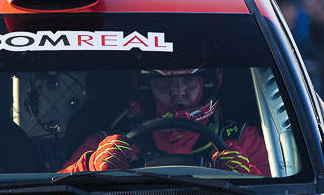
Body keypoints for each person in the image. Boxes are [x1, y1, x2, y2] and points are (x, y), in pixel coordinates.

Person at [62, 67, 269, 175]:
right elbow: (58, 188)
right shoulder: (109, 140)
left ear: (206, 84)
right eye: (164, 82)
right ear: (145, 88)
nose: (178, 92)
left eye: (189, 81)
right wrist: (91, 165)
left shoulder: (240, 138)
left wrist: (246, 176)